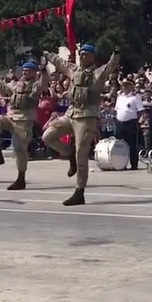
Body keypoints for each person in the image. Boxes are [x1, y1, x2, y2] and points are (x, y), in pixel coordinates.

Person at [43, 44, 120, 206]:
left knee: (81, 155)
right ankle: (68, 153)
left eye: (86, 55)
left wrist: (116, 53)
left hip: (86, 117)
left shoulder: (98, 73)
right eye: (81, 54)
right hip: (71, 114)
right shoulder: (74, 70)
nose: (83, 57)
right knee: (48, 136)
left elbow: (111, 66)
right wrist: (46, 54)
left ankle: (79, 192)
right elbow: (59, 62)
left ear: (93, 56)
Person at [0, 62, 47, 189]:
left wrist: (44, 72)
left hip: (24, 120)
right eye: (24, 70)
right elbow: (4, 86)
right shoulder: (17, 84)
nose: (25, 73)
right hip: (11, 116)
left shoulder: (36, 85)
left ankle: (21, 178)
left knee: (20, 150)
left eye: (28, 70)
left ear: (34, 72)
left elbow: (43, 83)